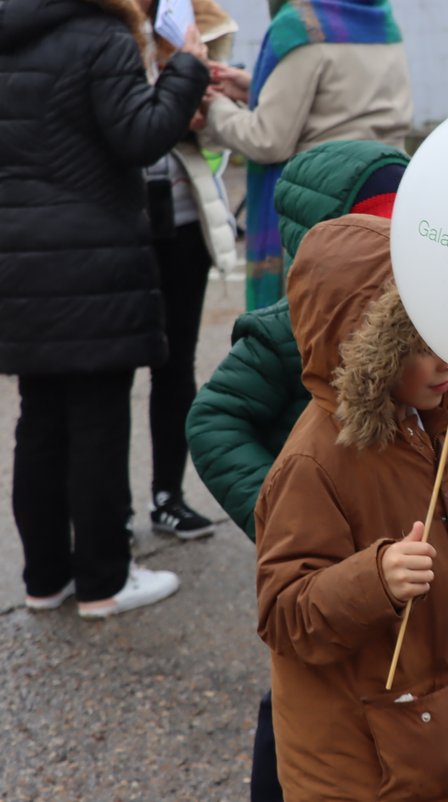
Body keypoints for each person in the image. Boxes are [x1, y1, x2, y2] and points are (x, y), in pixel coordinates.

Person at [187, 141, 448, 802]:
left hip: (406, 587)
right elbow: (214, 419)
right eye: (383, 225)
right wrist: (283, 514)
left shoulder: (428, 371)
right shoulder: (286, 335)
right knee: (313, 711)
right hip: (334, 567)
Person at [255, 213, 448, 800]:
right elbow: (284, 616)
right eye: (419, 344)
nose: (446, 360)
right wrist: (376, 579)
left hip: (432, 739)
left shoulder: (430, 431)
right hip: (360, 768)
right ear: (366, 347)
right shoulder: (313, 463)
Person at [0, 0, 209, 617]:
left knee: (39, 419)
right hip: (91, 257)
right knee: (96, 420)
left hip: (19, 259)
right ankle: (103, 581)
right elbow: (140, 136)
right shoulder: (102, 36)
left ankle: (45, 579)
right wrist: (188, 67)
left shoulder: (9, 37)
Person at [200, 0, 412, 309]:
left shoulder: (302, 24)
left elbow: (267, 139)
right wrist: (256, 91)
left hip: (324, 204)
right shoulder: (379, 15)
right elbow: (345, 101)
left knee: (313, 333)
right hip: (387, 197)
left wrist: (213, 106)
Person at [137, 0, 241, 539]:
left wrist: (200, 100)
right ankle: (107, 512)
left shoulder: (187, 18)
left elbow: (207, 117)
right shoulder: (99, 25)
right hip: (120, 221)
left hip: (183, 218)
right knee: (105, 374)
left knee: (175, 366)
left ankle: (167, 496)